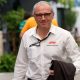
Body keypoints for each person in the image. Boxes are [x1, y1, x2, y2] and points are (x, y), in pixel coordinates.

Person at [12, 1, 80, 80]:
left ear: (52, 15)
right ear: (34, 16)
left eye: (47, 14)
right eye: (39, 15)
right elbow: (21, 64)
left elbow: (78, 59)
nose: (43, 18)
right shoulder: (27, 36)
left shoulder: (65, 35)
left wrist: (65, 71)